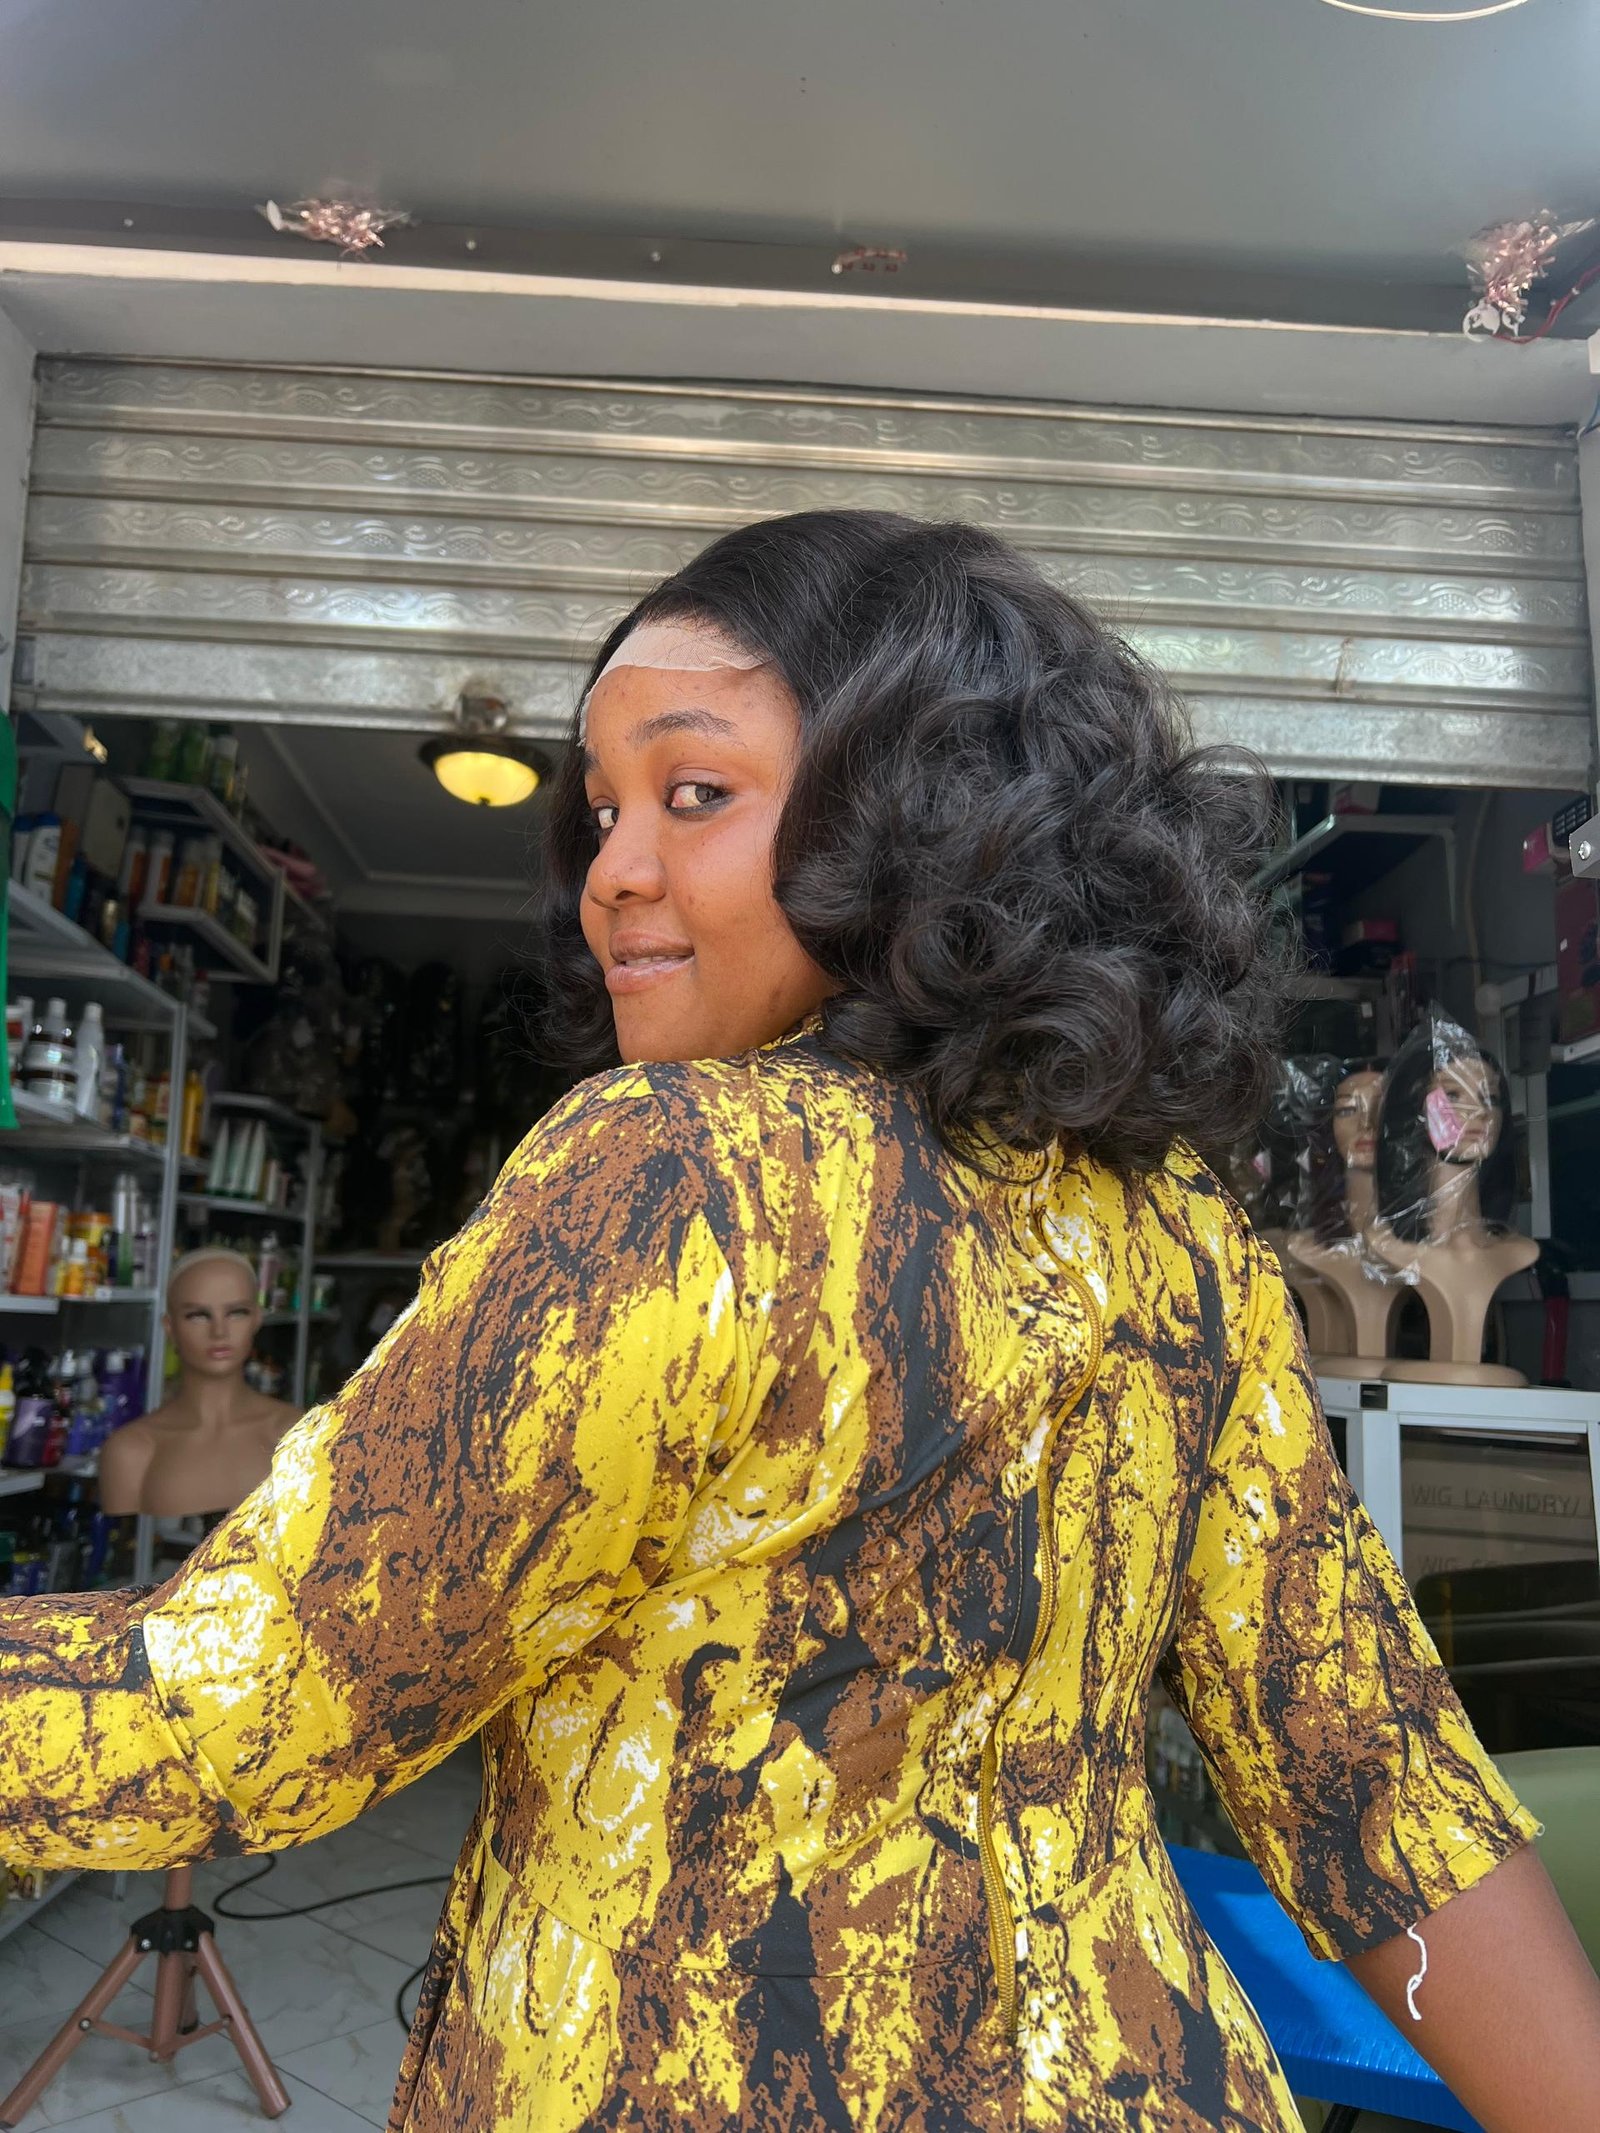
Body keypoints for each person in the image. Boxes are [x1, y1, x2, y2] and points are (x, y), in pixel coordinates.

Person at [1, 510, 1597, 2133]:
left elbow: (248, 1709)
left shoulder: (681, 1178)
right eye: (603, 807)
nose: (611, 869)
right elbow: (1367, 1772)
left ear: (918, 818)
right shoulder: (1184, 1235)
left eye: (695, 792)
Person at [97, 1247, 301, 1518]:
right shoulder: (131, 1451)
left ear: (256, 1319)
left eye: (236, 1312)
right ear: (170, 1327)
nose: (219, 1332)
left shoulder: (299, 1435)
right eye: (198, 1315)